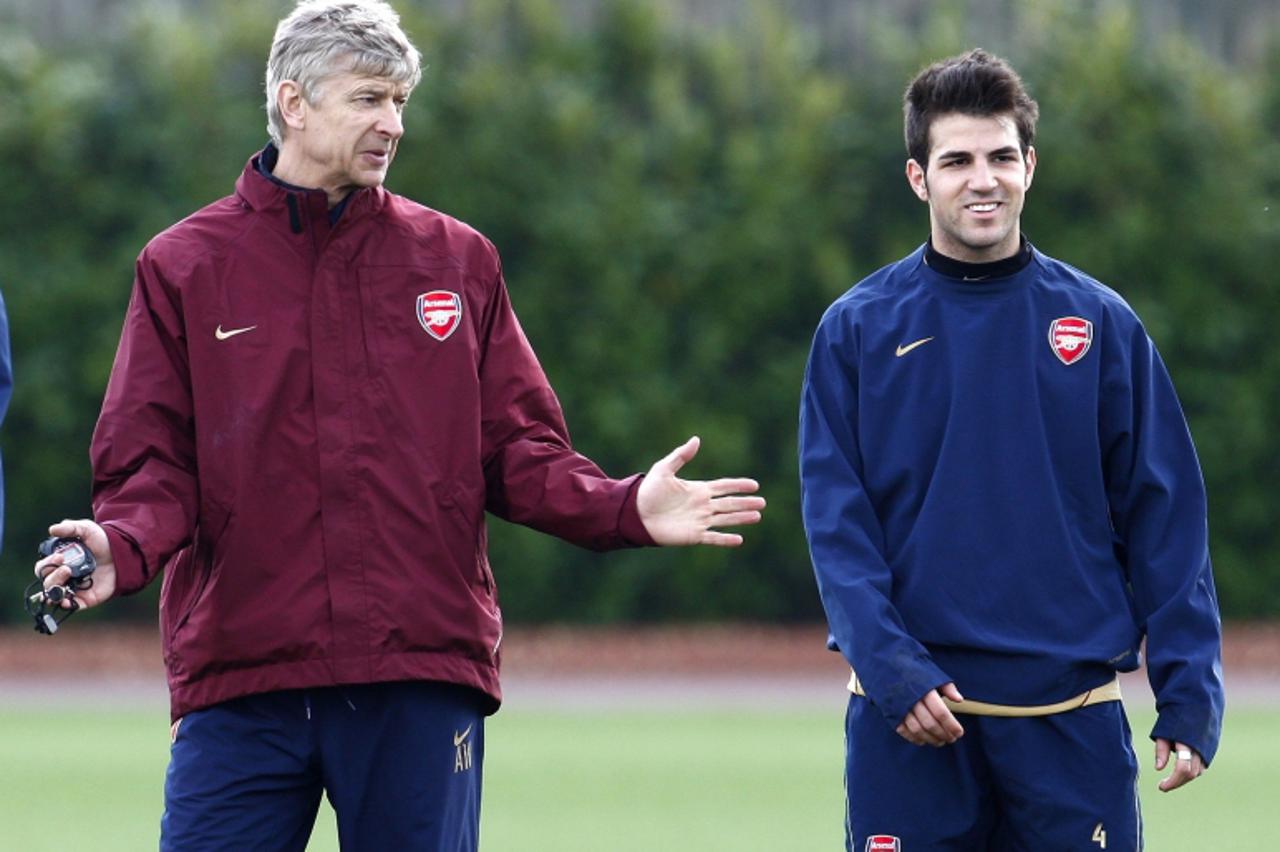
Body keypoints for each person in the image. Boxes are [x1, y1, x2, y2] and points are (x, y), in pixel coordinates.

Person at [33, 2, 764, 849]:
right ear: (294, 103)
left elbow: (517, 451)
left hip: (418, 672)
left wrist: (622, 507)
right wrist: (118, 548)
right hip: (243, 677)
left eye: (401, 102)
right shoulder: (183, 266)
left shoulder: (457, 259)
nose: (393, 124)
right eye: (370, 100)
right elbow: (154, 468)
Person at [799, 49, 1223, 851]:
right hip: (914, 718)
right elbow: (836, 526)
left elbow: (1165, 515)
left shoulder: (1100, 325)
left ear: (1030, 166)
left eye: (1000, 157)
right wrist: (892, 669)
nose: (982, 179)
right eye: (956, 160)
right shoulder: (855, 330)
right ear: (919, 178)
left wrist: (1189, 688)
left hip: (1071, 720)